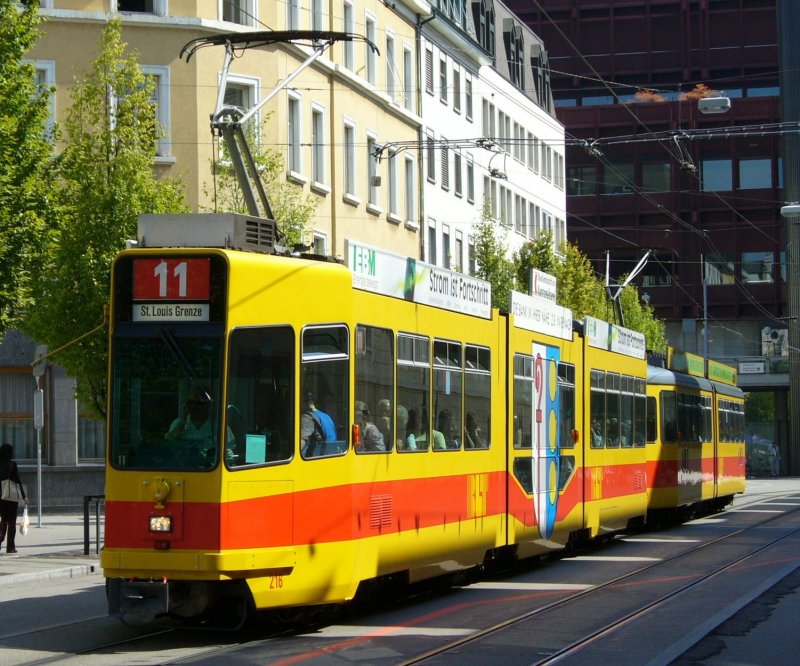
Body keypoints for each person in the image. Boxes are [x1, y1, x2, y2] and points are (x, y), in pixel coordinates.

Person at [0, 442, 28, 554]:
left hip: (1, 496)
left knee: (3, 519)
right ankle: (10, 547)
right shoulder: (12, 465)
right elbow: (18, 481)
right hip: (11, 497)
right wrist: (24, 496)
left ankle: (1, 536)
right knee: (12, 522)